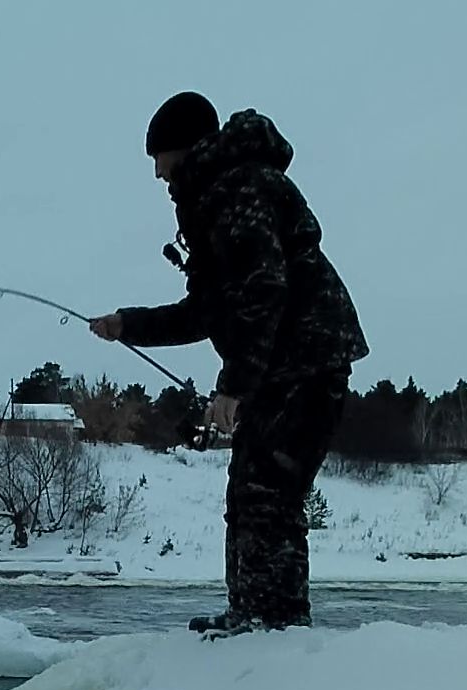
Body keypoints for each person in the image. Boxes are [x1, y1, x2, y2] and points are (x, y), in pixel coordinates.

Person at [90, 91, 368, 637]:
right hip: (280, 365)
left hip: (306, 362)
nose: (157, 174)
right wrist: (129, 325)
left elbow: (264, 290)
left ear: (186, 148)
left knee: (269, 493)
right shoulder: (213, 198)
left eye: (159, 159)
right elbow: (209, 310)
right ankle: (252, 615)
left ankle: (276, 625)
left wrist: (234, 385)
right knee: (247, 491)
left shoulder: (239, 189)